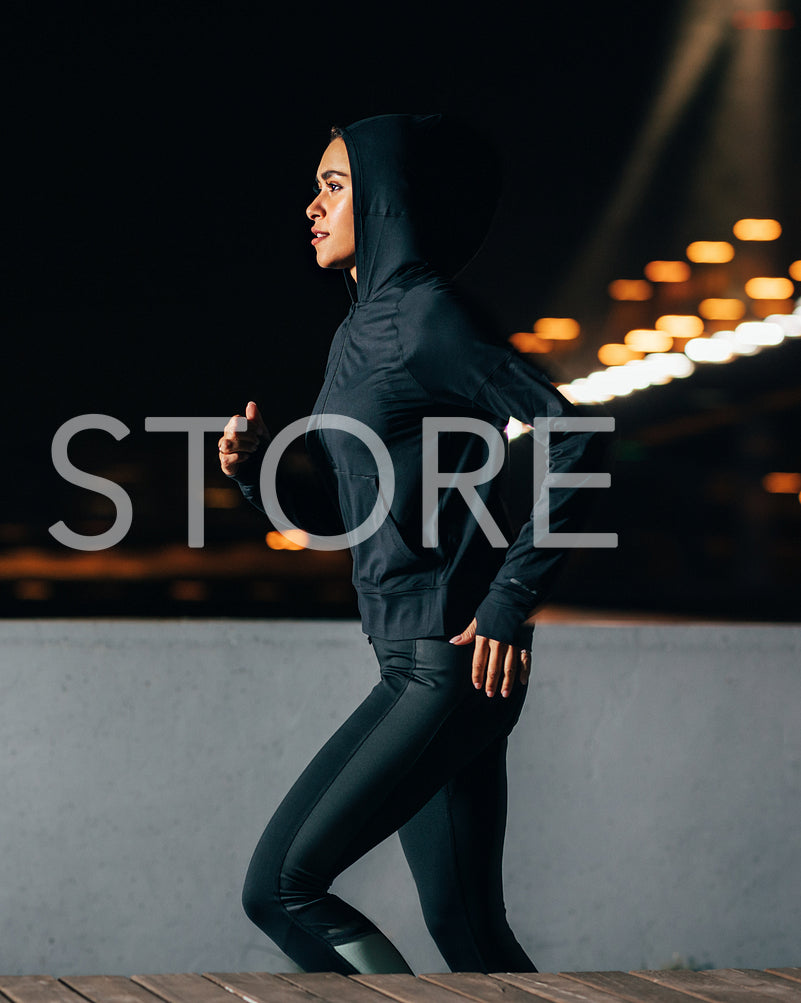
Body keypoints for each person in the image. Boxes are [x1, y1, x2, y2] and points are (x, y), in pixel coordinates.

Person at [218, 114, 609, 974]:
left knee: (281, 888)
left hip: (450, 660)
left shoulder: (428, 316)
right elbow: (353, 518)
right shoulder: (357, 333)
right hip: (413, 660)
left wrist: (510, 599)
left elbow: (575, 434)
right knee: (470, 936)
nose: (310, 206)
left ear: (386, 200)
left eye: (332, 185)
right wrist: (254, 475)